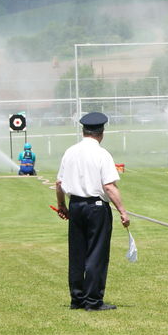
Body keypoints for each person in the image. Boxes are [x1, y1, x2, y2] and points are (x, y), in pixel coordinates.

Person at [55, 112, 130, 311]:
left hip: (75, 206)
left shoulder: (70, 152)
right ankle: (93, 300)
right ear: (101, 132)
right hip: (96, 208)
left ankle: (77, 298)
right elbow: (109, 186)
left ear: (83, 131)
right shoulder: (102, 154)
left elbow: (59, 183)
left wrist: (61, 205)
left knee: (77, 254)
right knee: (96, 253)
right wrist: (122, 211)